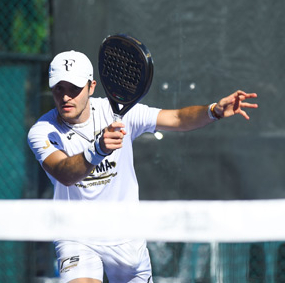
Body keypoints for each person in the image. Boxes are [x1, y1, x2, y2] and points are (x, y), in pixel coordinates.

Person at [27, 50, 258, 283]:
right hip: (76, 237)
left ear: (91, 86)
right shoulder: (42, 131)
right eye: (59, 88)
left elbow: (177, 118)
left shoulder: (119, 111)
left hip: (127, 237)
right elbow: (64, 173)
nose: (66, 96)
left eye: (74, 88)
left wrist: (213, 111)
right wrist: (97, 150)